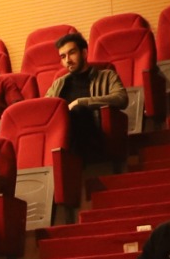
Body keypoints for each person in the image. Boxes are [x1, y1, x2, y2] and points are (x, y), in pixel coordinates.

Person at [49, 32, 129, 165]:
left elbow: (121, 98)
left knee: (79, 110)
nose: (67, 60)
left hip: (95, 135)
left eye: (72, 53)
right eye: (63, 56)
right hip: (65, 136)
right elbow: (47, 108)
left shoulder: (106, 75)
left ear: (84, 53)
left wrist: (82, 102)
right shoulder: (59, 83)